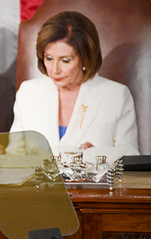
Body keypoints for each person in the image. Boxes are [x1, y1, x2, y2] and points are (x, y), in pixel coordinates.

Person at [10, 11, 140, 156]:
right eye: (49, 58)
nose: (54, 70)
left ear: (85, 58)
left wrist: (97, 155)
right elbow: (14, 155)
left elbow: (131, 157)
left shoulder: (116, 95)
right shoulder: (28, 92)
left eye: (65, 60)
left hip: (93, 179)